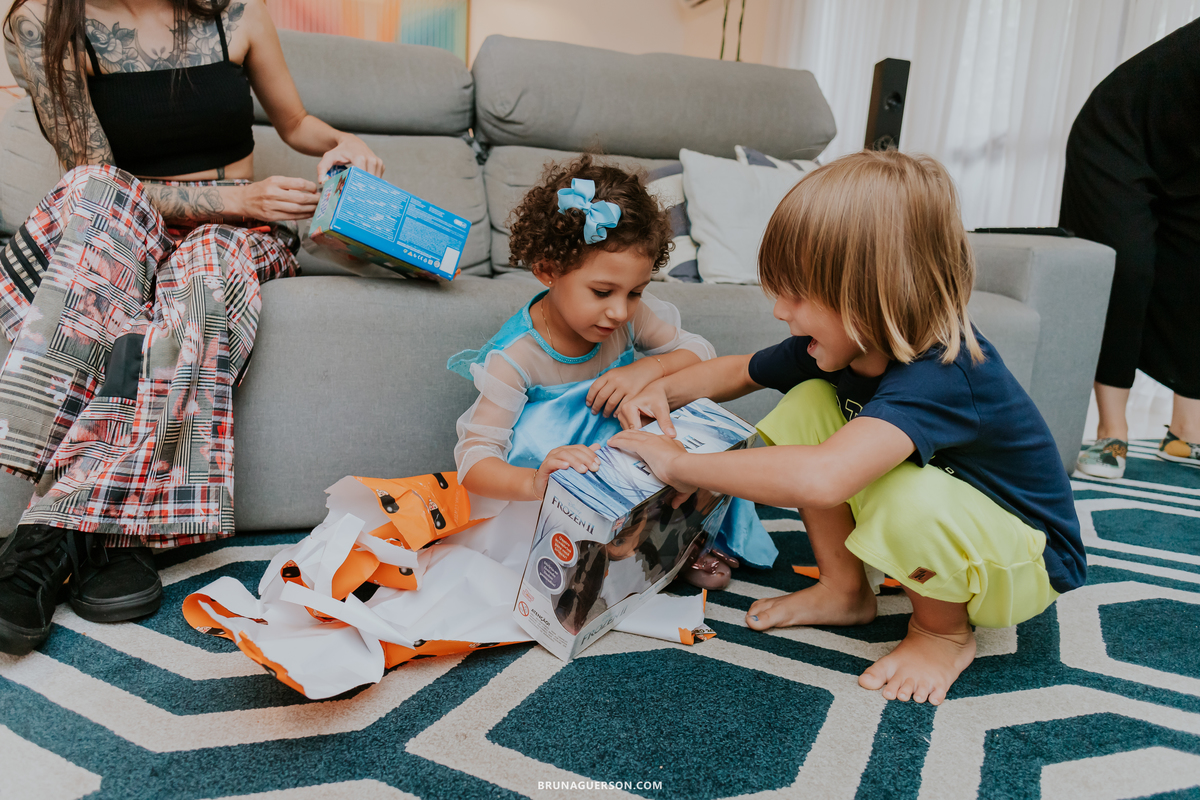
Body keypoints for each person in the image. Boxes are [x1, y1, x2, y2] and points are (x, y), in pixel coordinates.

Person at [609, 150, 1085, 706]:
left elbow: (823, 478)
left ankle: (942, 633)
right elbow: (740, 371)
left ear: (874, 295)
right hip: (965, 529)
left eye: (797, 295)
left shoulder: (944, 373)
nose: (779, 310)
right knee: (811, 402)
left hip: (1027, 561)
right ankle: (844, 588)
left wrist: (681, 464)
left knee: (907, 497)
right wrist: (663, 390)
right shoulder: (847, 345)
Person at [0, 0, 384, 655]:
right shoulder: (43, 20)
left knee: (202, 270)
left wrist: (342, 143)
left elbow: (295, 123)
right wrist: (238, 195)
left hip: (233, 236)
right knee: (100, 199)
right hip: (124, 232)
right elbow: (95, 181)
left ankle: (51, 533)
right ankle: (109, 536)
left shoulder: (237, 14)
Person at [446, 154, 778, 590]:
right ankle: (612, 552)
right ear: (548, 271)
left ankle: (674, 539)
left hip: (628, 465)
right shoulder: (515, 358)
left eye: (635, 292)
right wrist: (535, 482)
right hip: (560, 484)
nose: (620, 310)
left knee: (684, 419)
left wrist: (646, 370)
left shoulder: (627, 318)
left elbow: (700, 352)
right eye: (602, 292)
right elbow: (474, 459)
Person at [1063, 18, 1200, 479]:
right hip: (1115, 136)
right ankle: (1111, 431)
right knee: (1127, 270)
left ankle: (1187, 431)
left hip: (1187, 155)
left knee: (1194, 273)